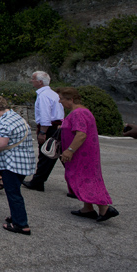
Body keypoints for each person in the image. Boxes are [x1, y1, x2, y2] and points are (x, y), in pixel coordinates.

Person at [58, 87, 119, 222]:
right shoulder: (83, 111)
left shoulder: (77, 113)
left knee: (84, 178)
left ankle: (104, 208)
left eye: (61, 98)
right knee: (87, 177)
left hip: (81, 154)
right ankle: (87, 208)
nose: (59, 101)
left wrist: (69, 150)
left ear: (71, 99)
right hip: (87, 153)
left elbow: (81, 134)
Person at [0, 94, 35, 235]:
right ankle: (16, 216)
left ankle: (21, 224)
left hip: (12, 163)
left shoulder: (5, 122)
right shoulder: (16, 117)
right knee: (14, 190)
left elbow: (0, 143)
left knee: (13, 193)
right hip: (23, 161)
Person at [23, 71, 65, 192]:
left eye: (33, 79)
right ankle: (74, 186)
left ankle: (38, 181)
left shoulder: (43, 95)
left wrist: (42, 132)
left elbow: (45, 115)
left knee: (46, 154)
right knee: (58, 155)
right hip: (57, 126)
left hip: (50, 128)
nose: (31, 81)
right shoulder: (53, 94)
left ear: (40, 82)